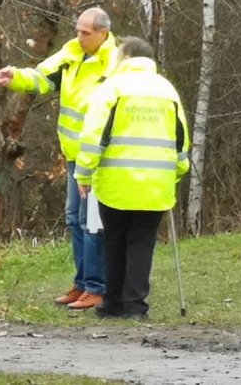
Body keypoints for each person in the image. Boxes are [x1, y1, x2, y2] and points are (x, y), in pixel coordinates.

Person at [0, 7, 117, 310]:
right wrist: (14, 77)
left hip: (98, 156)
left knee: (91, 222)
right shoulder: (71, 54)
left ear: (103, 33)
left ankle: (97, 287)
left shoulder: (114, 63)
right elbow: (42, 78)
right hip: (73, 153)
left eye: (86, 32)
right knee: (74, 218)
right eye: (78, 30)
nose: (79, 36)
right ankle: (82, 283)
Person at [72, 36, 189, 320]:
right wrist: (176, 173)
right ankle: (136, 306)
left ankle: (112, 303)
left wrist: (83, 172)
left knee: (113, 240)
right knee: (142, 242)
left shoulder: (112, 88)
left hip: (116, 180)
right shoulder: (167, 90)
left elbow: (93, 136)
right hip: (157, 183)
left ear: (125, 57)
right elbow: (181, 140)